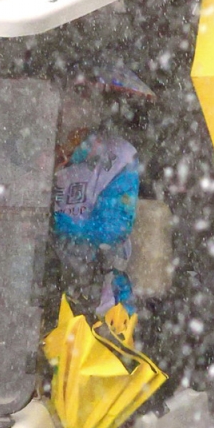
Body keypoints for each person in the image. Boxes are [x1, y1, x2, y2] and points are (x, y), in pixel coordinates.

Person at [50, 65, 155, 319]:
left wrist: (52, 224)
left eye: (83, 95)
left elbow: (113, 227)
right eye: (69, 94)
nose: (73, 104)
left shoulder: (118, 157)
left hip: (95, 296)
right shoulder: (31, 150)